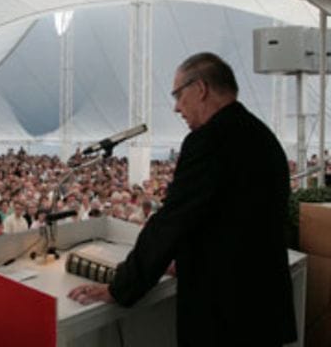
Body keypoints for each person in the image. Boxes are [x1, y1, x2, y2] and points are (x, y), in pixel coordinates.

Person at [68, 52, 296, 346]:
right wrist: (188, 260)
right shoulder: (263, 136)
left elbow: (173, 220)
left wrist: (120, 287)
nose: (176, 108)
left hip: (225, 314)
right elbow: (236, 220)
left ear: (200, 89)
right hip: (264, 306)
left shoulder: (208, 139)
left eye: (178, 95)